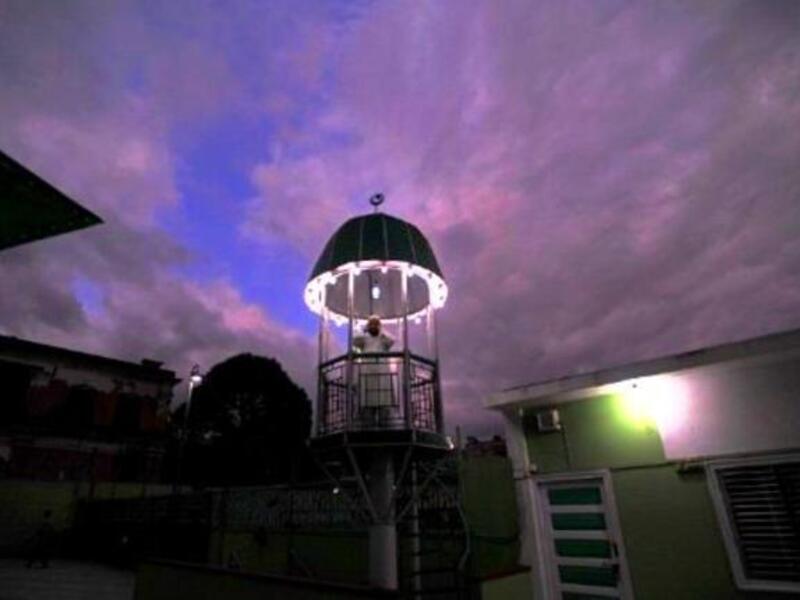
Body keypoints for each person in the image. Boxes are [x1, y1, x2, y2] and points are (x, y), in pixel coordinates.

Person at [352, 316, 395, 420]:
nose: (373, 326)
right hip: (367, 372)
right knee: (368, 399)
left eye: (376, 324)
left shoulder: (382, 337)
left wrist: (381, 331)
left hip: (382, 373)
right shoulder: (365, 338)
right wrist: (364, 330)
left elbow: (392, 341)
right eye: (371, 324)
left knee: (382, 399)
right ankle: (367, 421)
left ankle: (384, 421)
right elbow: (354, 340)